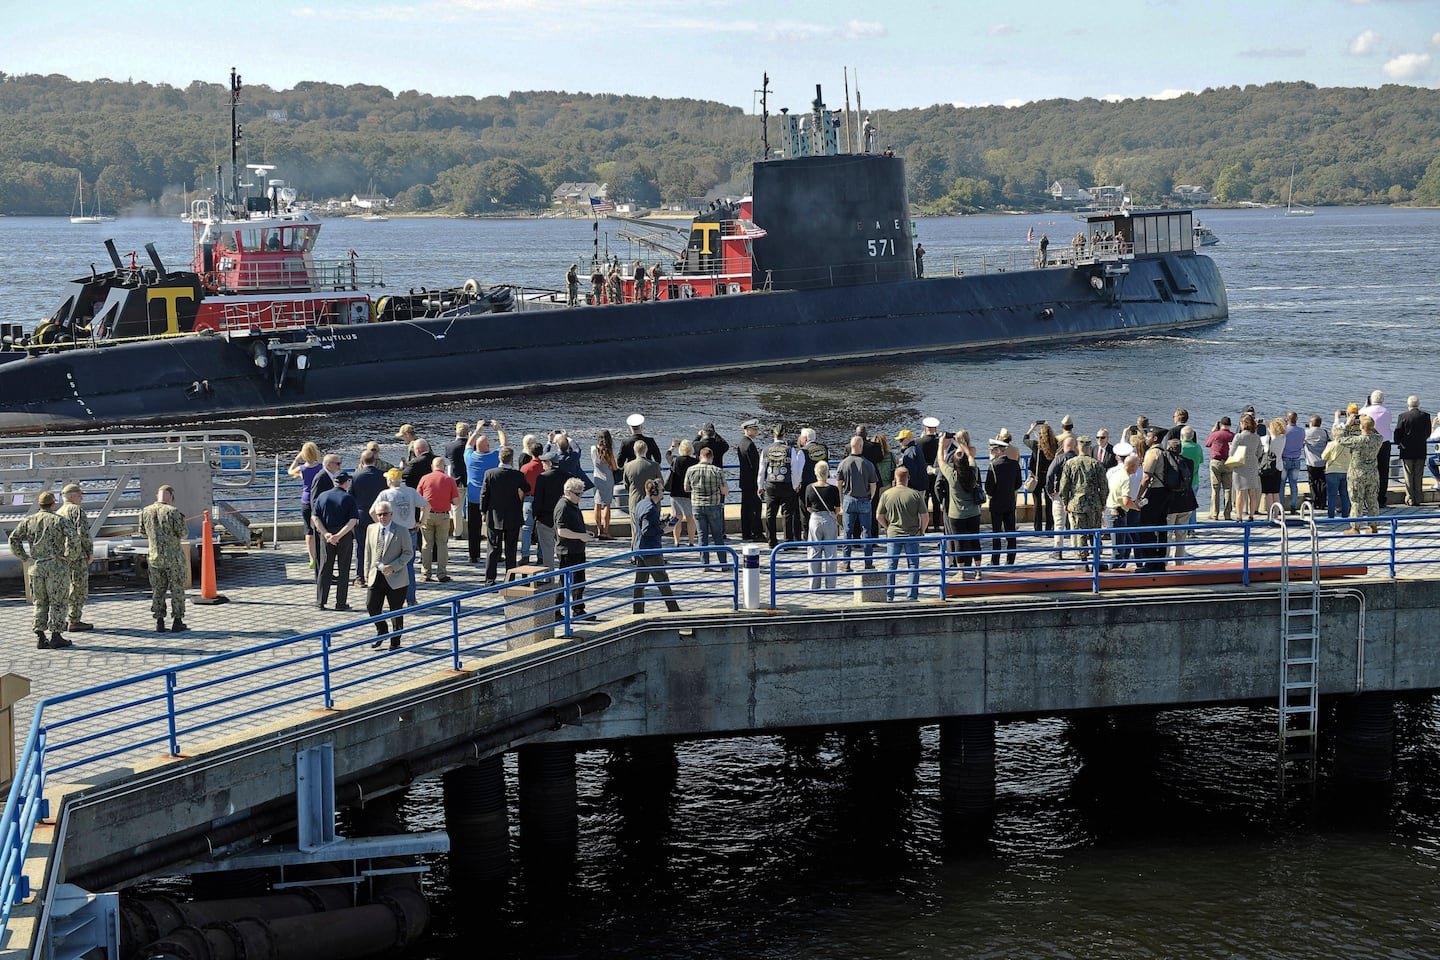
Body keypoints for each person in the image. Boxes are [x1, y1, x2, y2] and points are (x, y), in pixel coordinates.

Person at [9, 490, 78, 649]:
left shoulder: (28, 520)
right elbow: (74, 538)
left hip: (37, 567)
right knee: (58, 602)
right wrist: (70, 556)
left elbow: (14, 538)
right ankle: (56, 635)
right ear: (53, 504)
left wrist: (24, 556)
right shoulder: (59, 520)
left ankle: (40, 636)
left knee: (40, 602)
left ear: (39, 504)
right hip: (56, 567)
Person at [372, 468, 427, 604]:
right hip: (410, 531)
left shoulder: (385, 494)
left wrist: (381, 525)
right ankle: (411, 599)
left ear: (390, 480)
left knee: (391, 564)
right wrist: (421, 521)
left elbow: (372, 511)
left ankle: (395, 598)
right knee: (408, 566)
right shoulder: (411, 491)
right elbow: (426, 505)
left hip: (393, 533)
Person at [139, 484, 188, 633]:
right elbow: (183, 534)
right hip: (173, 558)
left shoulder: (145, 511)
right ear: (171, 497)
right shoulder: (173, 512)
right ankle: (177, 621)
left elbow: (142, 533)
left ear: (157, 496)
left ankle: (159, 622)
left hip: (154, 558)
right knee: (177, 589)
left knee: (158, 590)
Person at [365, 502, 413, 650]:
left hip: (396, 577)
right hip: (376, 575)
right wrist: (366, 573)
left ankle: (395, 641)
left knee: (396, 610)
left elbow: (408, 553)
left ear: (391, 514)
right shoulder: (371, 528)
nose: (382, 517)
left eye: (385, 514)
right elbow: (368, 552)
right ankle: (382, 630)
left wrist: (394, 566)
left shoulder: (401, 530)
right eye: (379, 514)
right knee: (371, 606)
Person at [479, 446, 530, 584]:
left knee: (492, 548)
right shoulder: (518, 475)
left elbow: (484, 494)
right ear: (511, 459)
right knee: (511, 550)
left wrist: (483, 511)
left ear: (499, 458)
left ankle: (490, 579)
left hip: (494, 516)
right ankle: (510, 579)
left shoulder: (490, 474)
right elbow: (527, 488)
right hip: (513, 516)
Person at [876, 466, 928, 601]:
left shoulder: (887, 494)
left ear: (895, 478)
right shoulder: (915, 494)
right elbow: (925, 516)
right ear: (908, 478)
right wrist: (922, 530)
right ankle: (912, 596)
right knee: (913, 566)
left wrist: (887, 527)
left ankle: (889, 595)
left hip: (893, 534)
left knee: (891, 566)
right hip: (912, 534)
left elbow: (879, 516)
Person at [1058, 436, 1110, 565]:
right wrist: (1103, 502)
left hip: (1077, 504)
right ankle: (1097, 560)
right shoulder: (1096, 464)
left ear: (1077, 447)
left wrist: (1065, 502)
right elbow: (1104, 486)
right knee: (1095, 532)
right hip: (1094, 504)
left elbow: (1064, 487)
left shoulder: (1070, 464)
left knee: (1081, 533)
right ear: (1090, 448)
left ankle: (1083, 561)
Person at [311, 472, 358, 610]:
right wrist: (339, 535)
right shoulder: (348, 498)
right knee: (344, 569)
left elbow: (315, 517)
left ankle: (320, 601)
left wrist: (326, 534)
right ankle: (340, 603)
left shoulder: (322, 496)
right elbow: (353, 521)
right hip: (344, 536)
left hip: (326, 535)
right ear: (346, 483)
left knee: (325, 567)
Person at [632, 478, 680, 614]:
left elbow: (645, 525)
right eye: (662, 490)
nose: (663, 492)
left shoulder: (641, 503)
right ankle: (673, 609)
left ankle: (637, 610)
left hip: (640, 548)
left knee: (640, 582)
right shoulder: (651, 509)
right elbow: (646, 530)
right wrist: (664, 530)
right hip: (651, 551)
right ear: (654, 492)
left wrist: (660, 522)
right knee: (662, 580)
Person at [938, 431, 983, 575]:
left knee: (959, 543)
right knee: (975, 541)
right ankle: (978, 571)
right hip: (973, 513)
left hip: (956, 515)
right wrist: (961, 443)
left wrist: (941, 444)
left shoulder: (952, 476)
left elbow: (941, 461)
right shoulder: (973, 472)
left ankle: (961, 572)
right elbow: (970, 456)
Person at [554, 477, 595, 622]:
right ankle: (557, 611)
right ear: (568, 492)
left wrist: (584, 533)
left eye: (581, 493)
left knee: (578, 581)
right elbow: (561, 531)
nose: (580, 497)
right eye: (578, 494)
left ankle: (577, 609)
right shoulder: (563, 506)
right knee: (565, 582)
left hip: (576, 549)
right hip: (567, 551)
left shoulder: (572, 504)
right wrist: (581, 536)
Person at [836, 436, 879, 571]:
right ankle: (868, 562)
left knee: (847, 532)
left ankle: (846, 562)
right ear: (861, 447)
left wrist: (841, 499)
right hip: (864, 499)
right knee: (866, 532)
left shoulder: (843, 463)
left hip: (849, 499)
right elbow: (873, 485)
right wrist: (870, 497)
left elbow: (839, 484)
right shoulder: (868, 464)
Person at [464, 422, 504, 564]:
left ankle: (473, 555)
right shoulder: (494, 457)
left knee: (473, 527)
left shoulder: (469, 457)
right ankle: (495, 554)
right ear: (487, 446)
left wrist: (477, 430)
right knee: (493, 527)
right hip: (490, 498)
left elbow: (468, 445)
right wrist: (499, 429)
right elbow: (504, 445)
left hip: (473, 497)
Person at [1338, 413, 1384, 534]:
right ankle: (1373, 526)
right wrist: (1368, 423)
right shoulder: (1378, 439)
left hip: (1357, 475)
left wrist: (1348, 424)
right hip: (1372, 474)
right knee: (1372, 500)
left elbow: (1340, 439)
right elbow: (1375, 432)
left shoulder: (1357, 441)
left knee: (1356, 501)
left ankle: (1355, 527)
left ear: (1361, 427)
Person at [417, 457, 461, 582]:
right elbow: (456, 501)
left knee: (426, 544)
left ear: (432, 466)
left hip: (427, 514)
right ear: (444, 467)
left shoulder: (424, 478)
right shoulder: (449, 480)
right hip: (443, 515)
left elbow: (418, 498)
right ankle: (441, 573)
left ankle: (426, 573)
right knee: (442, 544)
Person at [57, 483, 93, 632]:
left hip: (62, 556)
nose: (81, 498)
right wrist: (89, 552)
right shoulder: (77, 511)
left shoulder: (58, 512)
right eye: (79, 495)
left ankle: (62, 619)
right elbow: (83, 533)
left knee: (65, 587)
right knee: (79, 587)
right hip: (77, 555)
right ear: (72, 496)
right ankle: (74, 619)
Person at [350, 446, 388, 585]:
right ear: (375, 460)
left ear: (362, 461)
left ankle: (360, 576)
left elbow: (350, 497)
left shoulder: (355, 476)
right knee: (380, 545)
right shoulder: (383, 476)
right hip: (380, 514)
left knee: (361, 546)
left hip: (361, 514)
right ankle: (378, 575)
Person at [685, 446, 728, 568]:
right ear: (712, 457)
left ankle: (705, 564)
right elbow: (724, 491)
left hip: (697, 505)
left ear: (700, 457)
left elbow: (686, 488)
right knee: (717, 536)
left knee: (702, 536)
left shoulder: (691, 470)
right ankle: (723, 563)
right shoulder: (717, 471)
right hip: (713, 505)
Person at [288, 442, 325, 571]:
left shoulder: (302, 469)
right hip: (318, 499)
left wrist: (297, 459)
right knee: (320, 527)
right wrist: (319, 457)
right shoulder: (320, 467)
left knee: (308, 530)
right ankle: (321, 556)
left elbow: (290, 471)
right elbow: (325, 466)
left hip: (306, 500)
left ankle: (311, 558)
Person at [803, 460, 840, 589]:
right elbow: (837, 508)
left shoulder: (809, 488)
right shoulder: (833, 489)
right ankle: (830, 585)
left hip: (815, 519)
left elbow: (808, 507)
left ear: (816, 472)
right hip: (829, 519)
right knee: (831, 553)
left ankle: (814, 585)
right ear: (827, 472)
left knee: (814, 552)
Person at [985, 438, 1021, 565]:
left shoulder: (993, 466)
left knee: (996, 533)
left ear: (998, 450)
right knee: (1011, 532)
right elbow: (1018, 483)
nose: (991, 452)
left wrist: (993, 494)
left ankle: (995, 560)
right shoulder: (1014, 464)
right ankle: (1010, 559)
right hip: (1010, 502)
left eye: (992, 450)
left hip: (996, 504)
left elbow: (988, 488)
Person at [622, 439, 662, 548]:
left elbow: (626, 484)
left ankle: (635, 551)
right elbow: (660, 483)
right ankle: (654, 551)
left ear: (634, 450)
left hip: (635, 499)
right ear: (646, 450)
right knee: (654, 527)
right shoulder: (654, 466)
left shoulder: (628, 466)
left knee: (635, 530)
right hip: (652, 500)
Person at [763, 426, 799, 546]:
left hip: (771, 484)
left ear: (773, 434)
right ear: (784, 435)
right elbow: (795, 470)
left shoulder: (766, 450)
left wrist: (760, 486)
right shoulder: (790, 450)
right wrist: (795, 485)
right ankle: (788, 541)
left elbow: (761, 470)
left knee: (770, 513)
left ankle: (771, 541)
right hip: (787, 484)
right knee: (787, 514)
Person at [532, 449, 567, 568]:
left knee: (547, 551)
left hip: (545, 519)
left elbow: (538, 500)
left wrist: (535, 516)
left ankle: (549, 576)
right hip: (562, 519)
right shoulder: (568, 476)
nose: (542, 464)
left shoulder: (542, 477)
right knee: (563, 550)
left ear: (550, 463)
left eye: (544, 462)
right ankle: (564, 575)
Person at [1394, 395, 1431, 507]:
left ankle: (1410, 499)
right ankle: (1418, 499)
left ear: (1408, 404)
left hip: (1406, 450)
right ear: (1418, 404)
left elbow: (1397, 434)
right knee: (1418, 475)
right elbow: (1428, 432)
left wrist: (1399, 443)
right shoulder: (1425, 416)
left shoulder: (1403, 416)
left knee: (1408, 475)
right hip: (1420, 449)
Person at [1360, 390, 1393, 506]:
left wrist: (1364, 407)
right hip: (1384, 443)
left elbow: (1359, 418)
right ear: (1382, 399)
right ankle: (1381, 499)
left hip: (1369, 443)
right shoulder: (1387, 412)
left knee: (1368, 470)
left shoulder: (1365, 411)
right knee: (1383, 472)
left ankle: (1367, 499)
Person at [1025, 422, 1059, 532]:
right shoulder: (1055, 445)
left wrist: (1031, 429)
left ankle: (1038, 528)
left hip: (1037, 477)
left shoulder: (1036, 445)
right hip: (1049, 477)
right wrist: (1049, 429)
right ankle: (1049, 527)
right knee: (1049, 503)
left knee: (1037, 503)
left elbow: (1025, 439)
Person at [1229, 414, 1263, 522]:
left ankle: (1239, 517)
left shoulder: (1238, 437)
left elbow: (1231, 453)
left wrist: (1230, 447)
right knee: (1252, 492)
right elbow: (1260, 452)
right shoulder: (1257, 437)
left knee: (1239, 492)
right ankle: (1251, 515)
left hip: (1240, 465)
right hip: (1252, 464)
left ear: (1243, 424)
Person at [666, 439, 698, 548]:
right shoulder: (695, 462)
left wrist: (672, 446)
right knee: (690, 518)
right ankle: (691, 541)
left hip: (675, 493)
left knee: (677, 517)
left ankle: (677, 541)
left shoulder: (675, 460)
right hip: (689, 493)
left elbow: (667, 455)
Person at [735, 419, 764, 542]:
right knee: (755, 508)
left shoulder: (742, 443)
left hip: (745, 481)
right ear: (747, 430)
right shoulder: (750, 445)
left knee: (746, 508)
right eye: (754, 429)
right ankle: (756, 533)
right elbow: (755, 465)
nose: (756, 431)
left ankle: (746, 532)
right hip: (752, 482)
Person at [444, 421, 471, 541]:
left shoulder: (449, 446)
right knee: (473, 506)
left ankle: (457, 532)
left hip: (456, 479)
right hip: (470, 479)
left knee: (456, 508)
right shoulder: (472, 446)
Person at [1205, 417, 1235, 520]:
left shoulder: (1216, 434)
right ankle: (1227, 514)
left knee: (1215, 489)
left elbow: (1207, 444)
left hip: (1216, 462)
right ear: (1230, 425)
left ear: (1220, 425)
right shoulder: (1233, 436)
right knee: (1228, 489)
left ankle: (1214, 514)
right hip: (1229, 462)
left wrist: (1212, 431)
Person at [591, 429, 619, 540]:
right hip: (607, 479)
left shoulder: (593, 449)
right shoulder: (609, 452)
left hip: (597, 479)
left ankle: (599, 530)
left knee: (597, 504)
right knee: (607, 505)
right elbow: (614, 467)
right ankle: (606, 531)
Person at [1323, 421, 1352, 521]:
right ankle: (1345, 515)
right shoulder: (1349, 444)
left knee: (1332, 495)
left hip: (1332, 471)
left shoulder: (1331, 444)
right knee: (1345, 495)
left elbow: (1323, 456)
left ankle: (1331, 516)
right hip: (1346, 471)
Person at [1303, 416, 1331, 513]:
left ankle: (1315, 502)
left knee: (1312, 482)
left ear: (1311, 423)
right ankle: (1323, 503)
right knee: (1323, 482)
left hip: (1311, 462)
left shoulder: (1306, 433)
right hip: (1323, 462)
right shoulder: (1324, 432)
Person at [1259, 418, 1286, 515]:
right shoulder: (1283, 438)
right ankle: (1277, 513)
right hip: (1278, 466)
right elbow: (1273, 434)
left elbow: (1262, 441)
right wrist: (1268, 425)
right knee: (1276, 492)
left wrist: (1265, 425)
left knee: (1268, 493)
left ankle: (1270, 515)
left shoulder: (1267, 439)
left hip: (1268, 468)